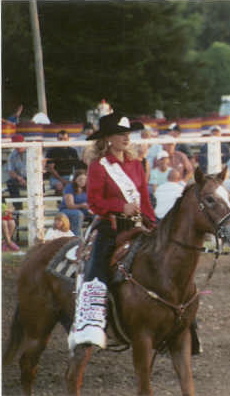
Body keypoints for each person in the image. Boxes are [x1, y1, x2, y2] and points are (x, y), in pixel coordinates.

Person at [68, 112, 156, 350]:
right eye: (121, 134)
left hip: (138, 224)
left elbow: (145, 200)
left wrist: (153, 223)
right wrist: (121, 206)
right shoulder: (98, 166)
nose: (126, 138)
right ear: (108, 139)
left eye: (128, 134)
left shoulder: (136, 165)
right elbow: (94, 202)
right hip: (110, 225)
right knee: (97, 264)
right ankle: (92, 321)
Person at [45, 130, 83, 195]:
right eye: (60, 139)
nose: (62, 141)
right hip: (56, 178)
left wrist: (74, 179)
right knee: (59, 186)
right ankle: (61, 203)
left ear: (68, 139)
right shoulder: (52, 151)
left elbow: (77, 167)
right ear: (57, 139)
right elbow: (51, 169)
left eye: (65, 139)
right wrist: (63, 180)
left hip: (70, 176)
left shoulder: (73, 151)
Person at [59, 170, 92, 237]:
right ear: (75, 180)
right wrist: (82, 205)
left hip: (83, 210)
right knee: (78, 214)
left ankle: (91, 236)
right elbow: (70, 205)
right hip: (67, 210)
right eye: (80, 179)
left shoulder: (88, 188)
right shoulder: (69, 187)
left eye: (84, 179)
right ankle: (76, 237)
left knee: (97, 215)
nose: (82, 181)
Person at [6, 134, 27, 209]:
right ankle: (18, 208)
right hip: (20, 178)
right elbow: (10, 170)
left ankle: (39, 208)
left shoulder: (33, 151)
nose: (18, 146)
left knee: (39, 183)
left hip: (33, 177)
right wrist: (19, 178)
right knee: (10, 182)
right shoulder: (12, 154)